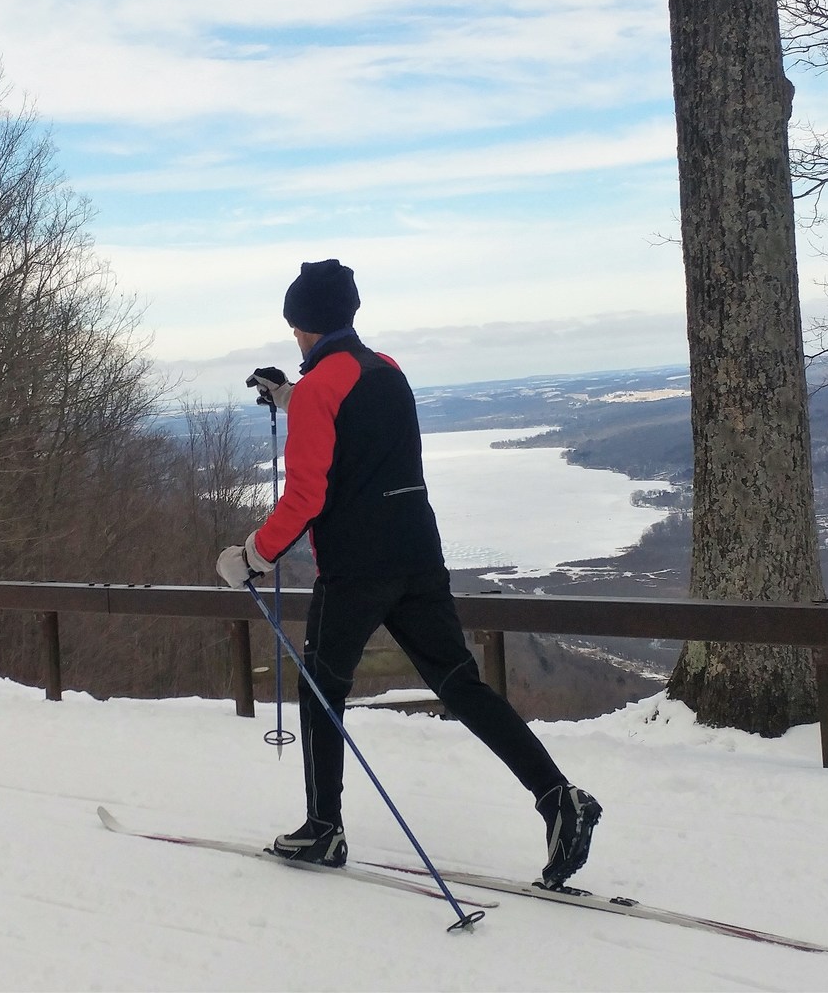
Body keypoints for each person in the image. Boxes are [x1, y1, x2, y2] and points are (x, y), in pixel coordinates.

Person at [214, 258, 601, 889]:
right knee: (460, 684)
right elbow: (357, 424)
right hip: (419, 556)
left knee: (321, 688)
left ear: (302, 324)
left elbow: (306, 496)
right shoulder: (386, 370)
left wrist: (254, 554)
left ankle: (323, 829)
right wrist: (290, 395)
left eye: (294, 327)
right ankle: (559, 798)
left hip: (356, 568)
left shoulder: (321, 390)